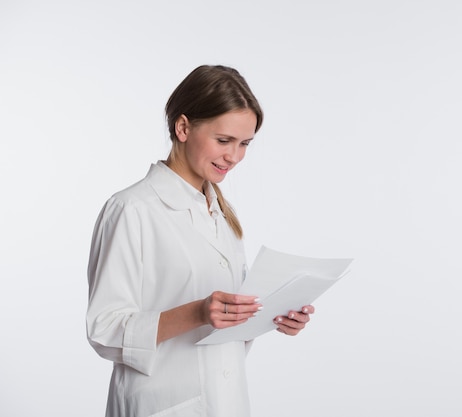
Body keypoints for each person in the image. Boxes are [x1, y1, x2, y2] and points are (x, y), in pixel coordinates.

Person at [86, 65, 315, 417]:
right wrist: (196, 312)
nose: (234, 157)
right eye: (224, 141)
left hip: (226, 402)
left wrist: (273, 315)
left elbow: (225, 322)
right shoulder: (131, 209)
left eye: (244, 144)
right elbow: (104, 330)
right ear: (183, 127)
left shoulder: (221, 213)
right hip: (160, 404)